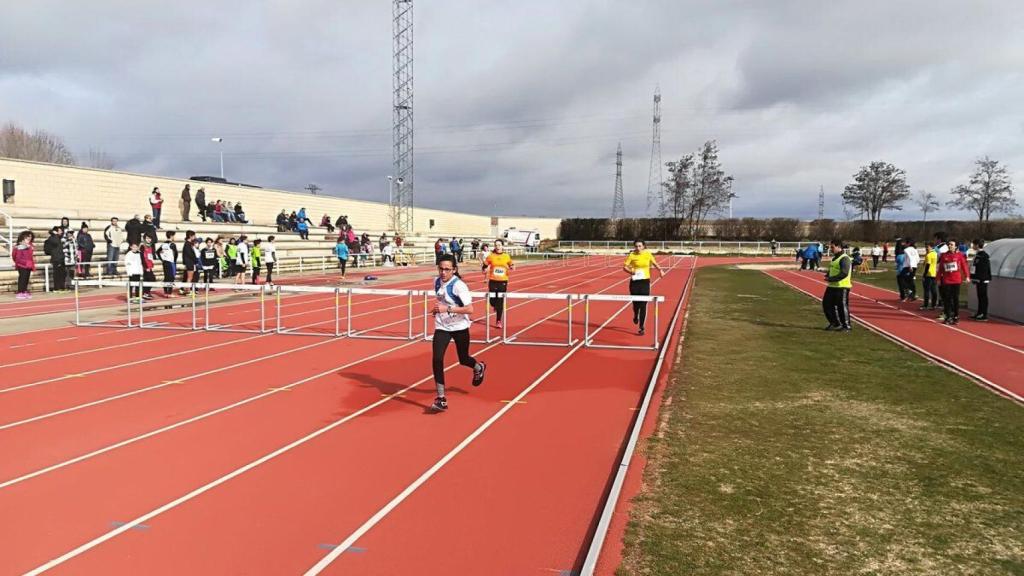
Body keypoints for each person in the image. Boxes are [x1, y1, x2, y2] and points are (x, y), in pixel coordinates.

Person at [430, 254, 487, 411]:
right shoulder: (436, 282)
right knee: (437, 359)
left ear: (454, 270)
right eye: (441, 269)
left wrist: (447, 309)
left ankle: (478, 367)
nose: (443, 272)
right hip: (442, 326)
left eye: (447, 269)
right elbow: (442, 301)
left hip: (460, 327)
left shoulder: (459, 286)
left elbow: (470, 309)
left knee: (463, 359)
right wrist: (437, 309)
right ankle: (441, 398)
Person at [623, 239, 664, 336]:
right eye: (636, 246)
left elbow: (654, 263)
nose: (638, 248)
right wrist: (631, 271)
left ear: (644, 246)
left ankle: (641, 327)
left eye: (640, 246)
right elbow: (625, 267)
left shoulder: (648, 254)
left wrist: (660, 270)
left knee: (643, 305)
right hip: (635, 282)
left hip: (645, 282)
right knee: (635, 304)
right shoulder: (632, 255)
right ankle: (635, 315)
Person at [482, 239, 515, 329]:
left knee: (500, 301)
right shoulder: (491, 256)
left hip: (503, 281)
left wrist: (512, 267)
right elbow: (485, 265)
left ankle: (498, 320)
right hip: (493, 280)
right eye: (496, 245)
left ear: (502, 246)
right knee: (492, 300)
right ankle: (495, 305)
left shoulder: (506, 256)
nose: (497, 246)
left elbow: (511, 264)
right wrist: (484, 269)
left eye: (499, 245)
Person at [822, 240, 853, 331]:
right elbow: (833, 269)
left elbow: (844, 273)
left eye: (832, 247)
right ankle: (835, 323)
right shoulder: (835, 258)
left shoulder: (845, 258)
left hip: (842, 287)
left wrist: (831, 279)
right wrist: (828, 274)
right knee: (827, 304)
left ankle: (846, 326)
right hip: (832, 286)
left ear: (839, 247)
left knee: (842, 307)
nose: (831, 249)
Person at [937, 239, 969, 325]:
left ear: (956, 246)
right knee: (947, 299)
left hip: (956, 280)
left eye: (951, 244)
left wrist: (967, 276)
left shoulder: (959, 255)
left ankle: (956, 316)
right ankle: (948, 316)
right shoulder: (944, 255)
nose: (949, 246)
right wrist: (938, 279)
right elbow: (940, 268)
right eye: (949, 244)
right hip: (947, 281)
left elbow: (964, 266)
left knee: (955, 299)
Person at [970, 239, 991, 321]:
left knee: (983, 296)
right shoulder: (978, 255)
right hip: (978, 279)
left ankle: (983, 314)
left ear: (977, 245)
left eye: (974, 244)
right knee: (980, 296)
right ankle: (979, 312)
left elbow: (985, 269)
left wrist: (981, 278)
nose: (972, 246)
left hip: (983, 279)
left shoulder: (984, 255)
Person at [12, 230, 35, 299]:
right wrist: (22, 263)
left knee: (26, 279)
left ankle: (24, 291)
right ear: (23, 237)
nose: (29, 238)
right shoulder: (19, 246)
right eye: (28, 236)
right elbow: (16, 257)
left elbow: (30, 256)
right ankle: (20, 292)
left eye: (30, 236)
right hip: (22, 265)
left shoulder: (30, 245)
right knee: (22, 278)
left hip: (29, 265)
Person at [44, 226, 66, 291]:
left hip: (61, 258)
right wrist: (54, 234)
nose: (61, 232)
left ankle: (62, 287)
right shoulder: (52, 238)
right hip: (56, 258)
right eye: (60, 231)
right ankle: (57, 287)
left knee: (62, 273)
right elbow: (55, 243)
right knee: (57, 274)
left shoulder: (58, 238)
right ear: (55, 231)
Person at [157, 230, 178, 296]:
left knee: (166, 277)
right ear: (171, 236)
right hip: (171, 262)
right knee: (171, 277)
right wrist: (174, 261)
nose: (174, 237)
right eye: (174, 236)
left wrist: (162, 259)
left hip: (165, 262)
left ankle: (165, 292)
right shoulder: (172, 244)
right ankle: (169, 293)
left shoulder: (163, 244)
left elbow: (157, 252)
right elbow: (176, 254)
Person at [920, 244, 939, 311]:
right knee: (933, 290)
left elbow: (928, 265)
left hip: (928, 274)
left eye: (927, 247)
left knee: (927, 290)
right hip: (934, 274)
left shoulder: (929, 255)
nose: (926, 248)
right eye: (925, 247)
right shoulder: (935, 254)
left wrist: (924, 275)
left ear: (931, 247)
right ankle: (933, 305)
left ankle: (925, 305)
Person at [181, 230, 197, 295]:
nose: (195, 237)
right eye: (194, 236)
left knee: (189, 277)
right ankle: (187, 290)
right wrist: (195, 260)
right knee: (190, 277)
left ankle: (186, 289)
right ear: (190, 236)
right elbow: (189, 254)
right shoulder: (187, 244)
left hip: (190, 262)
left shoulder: (189, 244)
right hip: (189, 262)